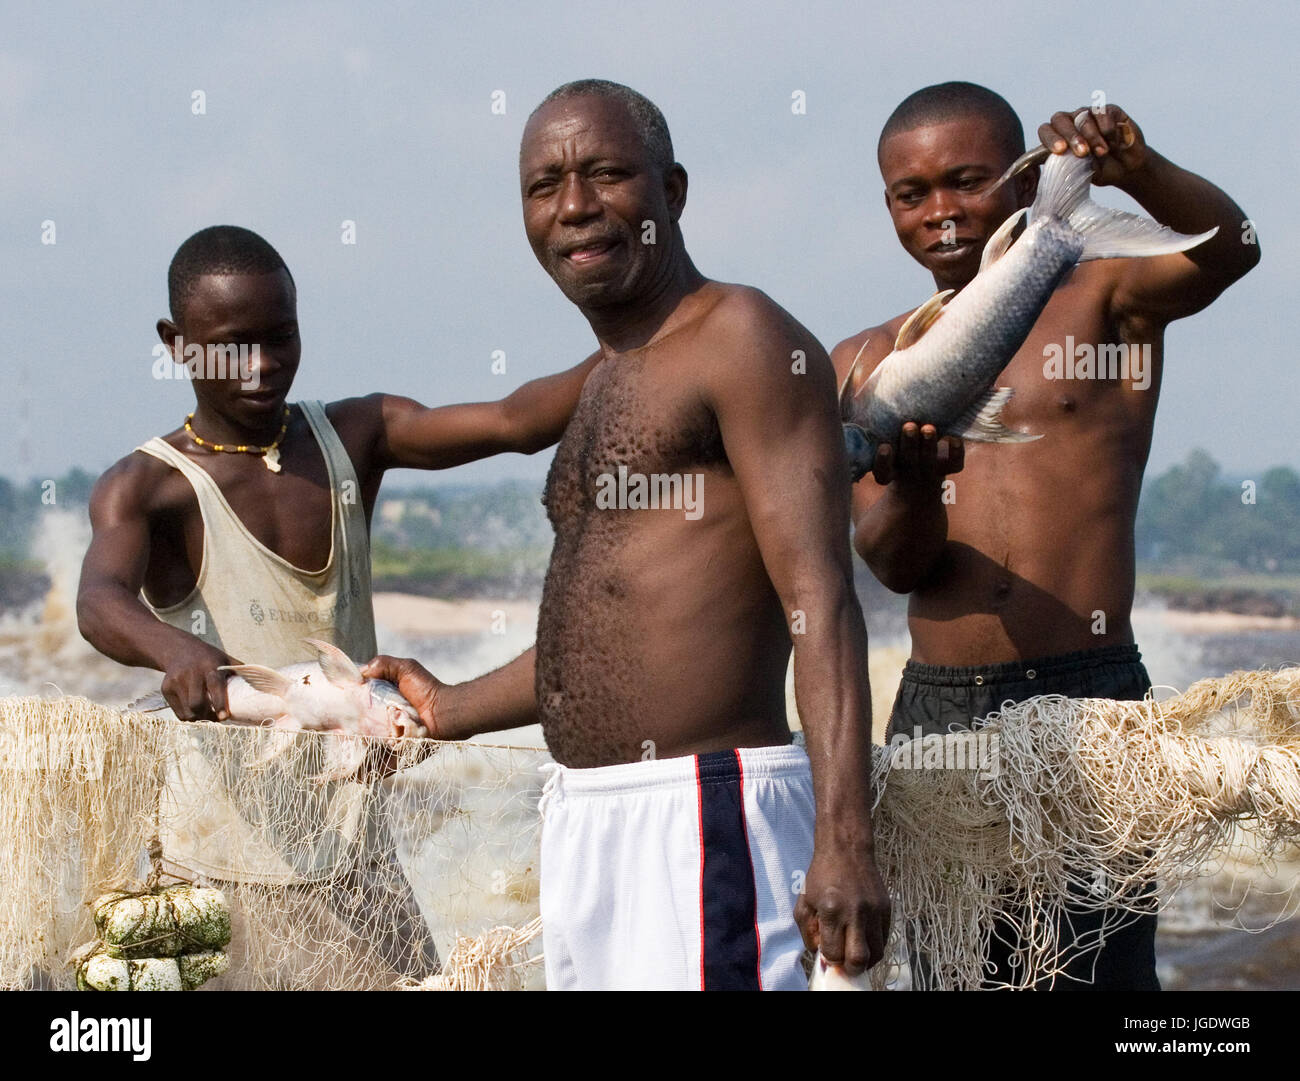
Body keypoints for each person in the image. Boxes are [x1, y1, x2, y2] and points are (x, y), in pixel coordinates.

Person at [365, 79, 890, 991]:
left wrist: (845, 841)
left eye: (606, 174)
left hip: (704, 811)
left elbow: (821, 601)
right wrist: (448, 709)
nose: (574, 206)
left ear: (671, 192)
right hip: (585, 821)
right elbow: (618, 634)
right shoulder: (601, 377)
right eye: (545, 185)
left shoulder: (743, 338)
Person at [77, 224, 597, 985]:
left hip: (358, 856)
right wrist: (174, 650)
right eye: (233, 345)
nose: (262, 367)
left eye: (281, 338)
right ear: (177, 343)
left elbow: (516, 422)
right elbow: (99, 599)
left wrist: (649, 334)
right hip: (225, 862)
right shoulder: (148, 485)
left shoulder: (354, 435)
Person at [831, 82, 1259, 989]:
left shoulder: (1108, 296)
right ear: (888, 207)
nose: (941, 210)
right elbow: (895, 563)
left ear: (1025, 177)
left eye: (968, 180)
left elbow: (1236, 250)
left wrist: (1137, 168)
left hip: (1092, 702)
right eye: (913, 194)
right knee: (955, 974)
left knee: (1101, 981)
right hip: (939, 714)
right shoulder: (862, 361)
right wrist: (912, 489)